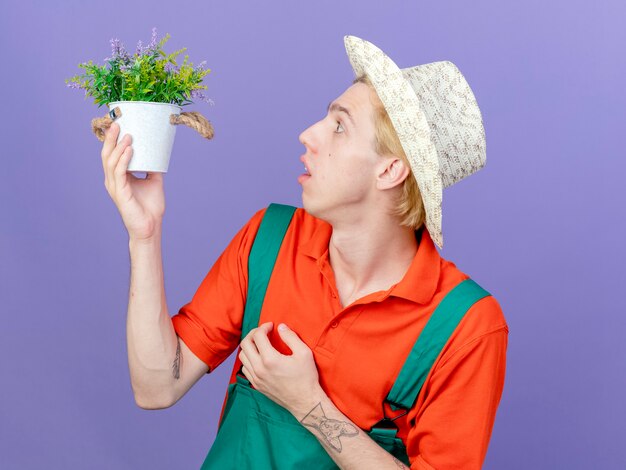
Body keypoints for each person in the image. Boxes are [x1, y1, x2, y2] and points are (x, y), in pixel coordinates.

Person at [100, 35, 508, 469]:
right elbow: (157, 386)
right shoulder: (270, 240)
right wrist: (144, 234)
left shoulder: (467, 327)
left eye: (339, 125)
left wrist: (310, 404)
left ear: (390, 170)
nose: (309, 134)